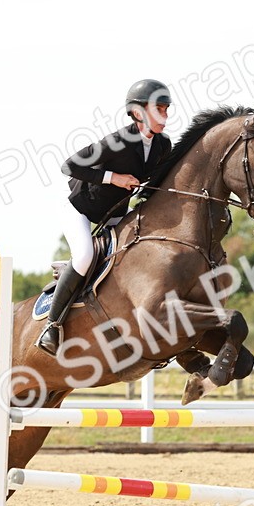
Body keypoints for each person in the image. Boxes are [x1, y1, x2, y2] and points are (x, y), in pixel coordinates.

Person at [37, 78, 173, 354]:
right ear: (138, 113)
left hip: (115, 213)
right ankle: (52, 326)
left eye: (166, 109)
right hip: (80, 209)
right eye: (159, 108)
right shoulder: (118, 141)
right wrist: (115, 178)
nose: (165, 115)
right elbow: (70, 166)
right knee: (85, 256)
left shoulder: (163, 146)